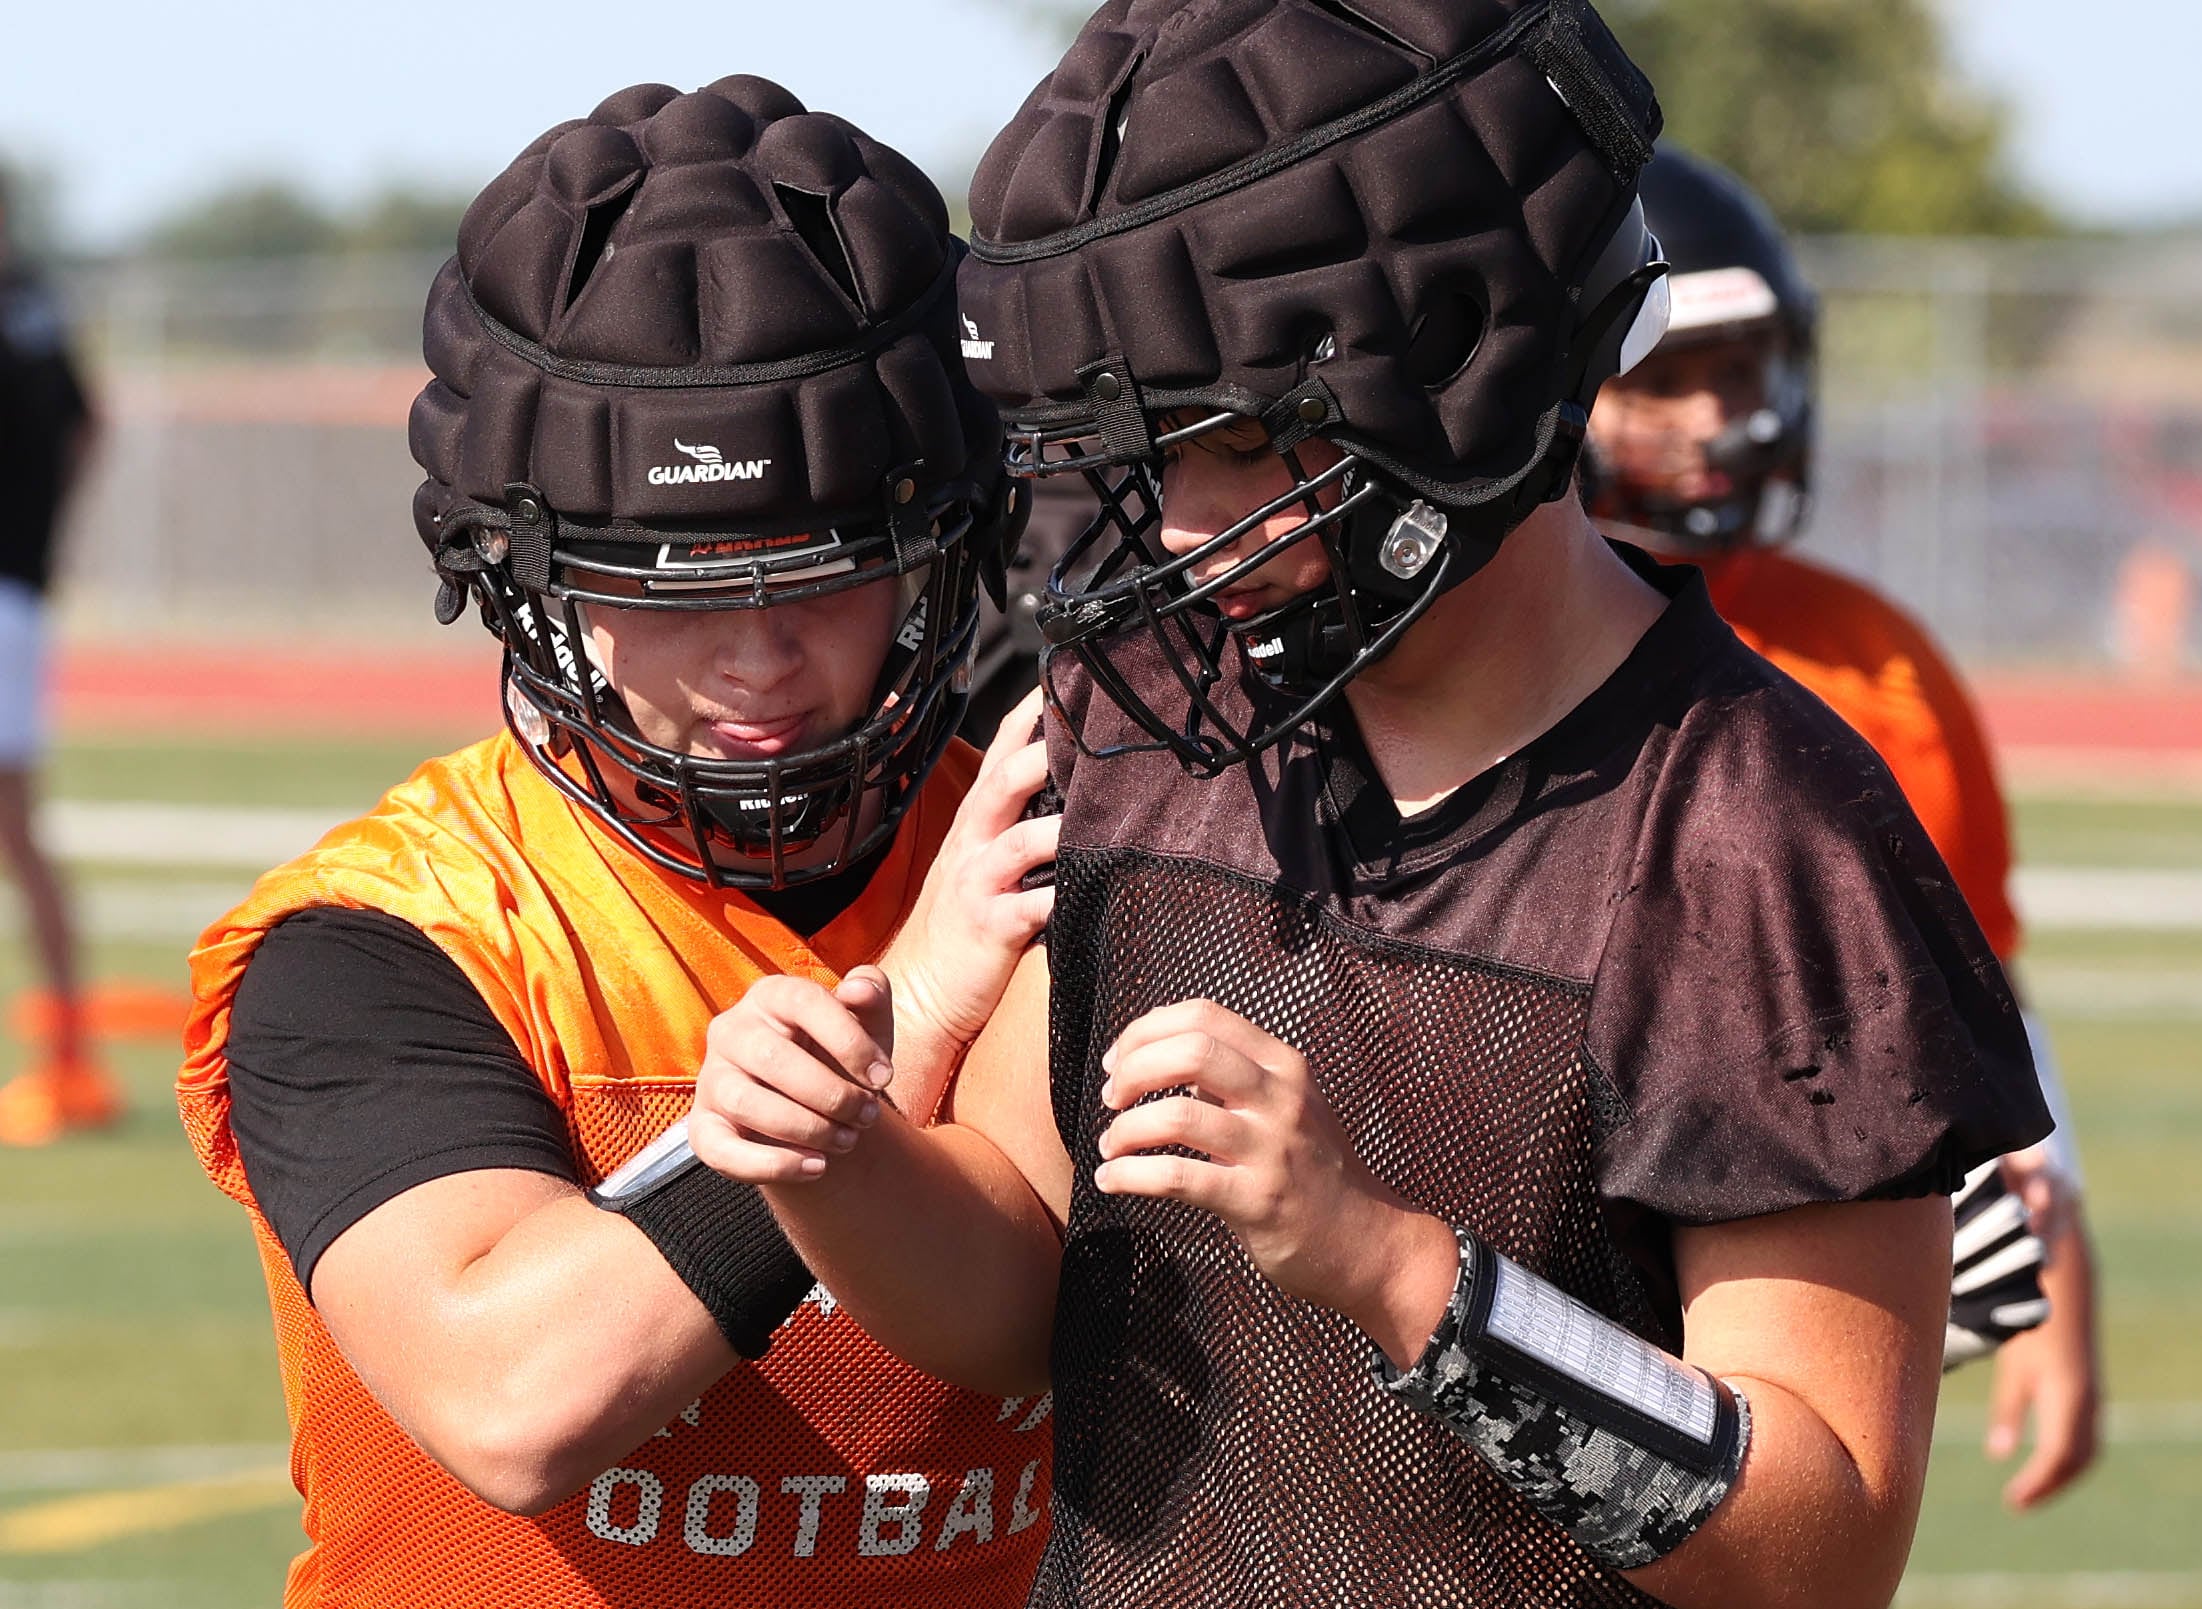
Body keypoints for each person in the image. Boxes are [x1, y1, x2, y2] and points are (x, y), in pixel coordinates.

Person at [691, 5, 2051, 1607]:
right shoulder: (1143, 727)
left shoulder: (1754, 836)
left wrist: (1399, 1273)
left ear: (1452, 384)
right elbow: (1020, 1294)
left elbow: (1813, 1547)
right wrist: (833, 1163)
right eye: (1147, 455)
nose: (1182, 535)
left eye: (1238, 446)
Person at [176, 78, 1056, 1608]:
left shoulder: (1058, 852)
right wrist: (905, 1017)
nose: (756, 659)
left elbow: (1046, 1313)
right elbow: (517, 1401)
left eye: (825, 571)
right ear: (529, 584)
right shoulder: (387, 938)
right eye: (671, 584)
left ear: (944, 552)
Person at [1583, 143, 2102, 1510]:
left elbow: (1976, 973)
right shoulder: (1486, 644)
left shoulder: (1873, 662)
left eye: (1737, 369)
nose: (1710, 417)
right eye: (1661, 377)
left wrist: (2060, 1243)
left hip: (1788, 1300)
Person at [0, 166, 111, 1146]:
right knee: (18, 828)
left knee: (15, 825)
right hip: (18, 588)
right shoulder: (35, 299)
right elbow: (87, 429)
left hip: (6, 591)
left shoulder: (25, 299)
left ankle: (71, 1053)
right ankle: (70, 1048)